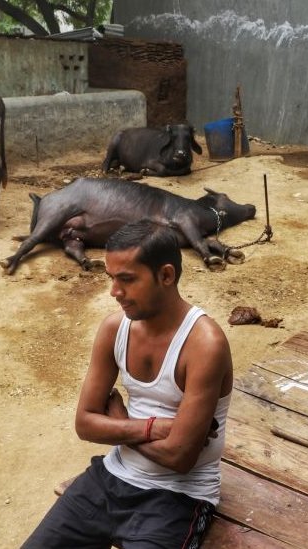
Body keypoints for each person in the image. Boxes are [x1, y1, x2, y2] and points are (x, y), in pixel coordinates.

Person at [23, 219, 234, 549]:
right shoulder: (114, 330)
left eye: (127, 279)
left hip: (178, 498)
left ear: (166, 275)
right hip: (109, 479)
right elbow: (85, 424)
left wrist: (121, 422)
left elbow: (180, 456)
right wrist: (155, 428)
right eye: (112, 278)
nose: (114, 292)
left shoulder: (204, 344)